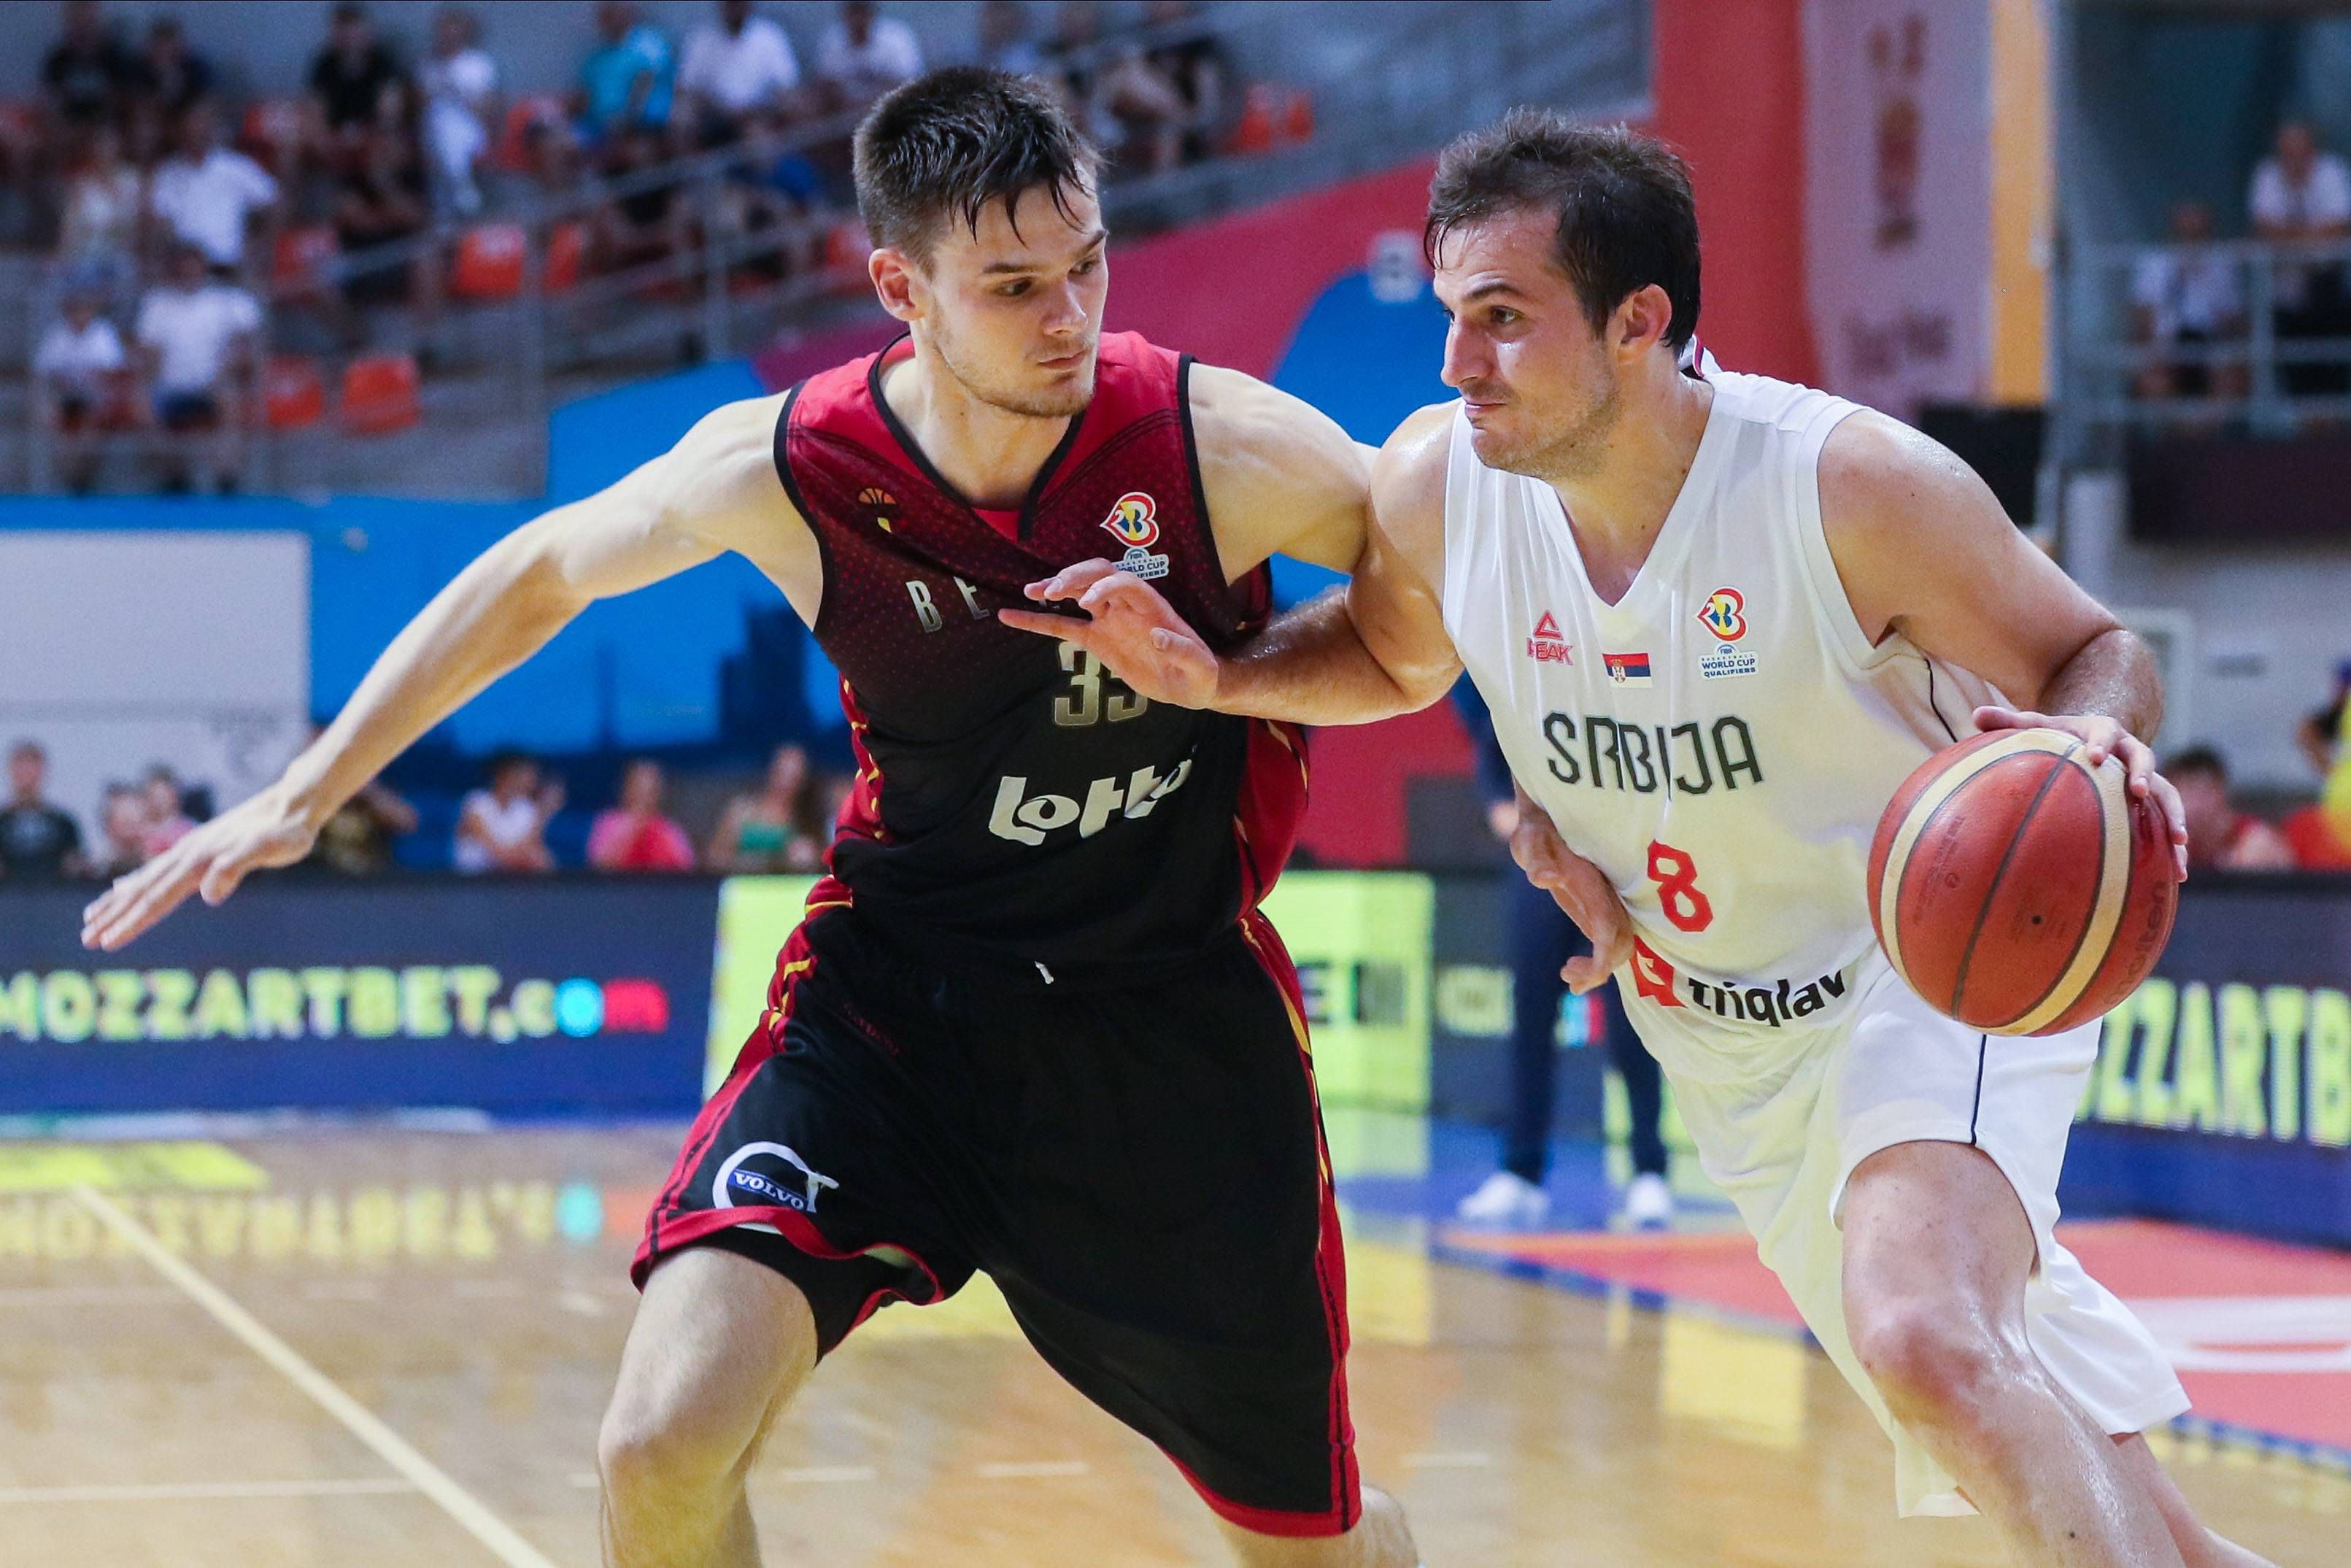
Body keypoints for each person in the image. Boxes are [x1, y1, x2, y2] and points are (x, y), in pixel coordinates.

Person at [82, 67, 1419, 1568]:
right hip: (898, 1002)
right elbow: (537, 574)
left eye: (1089, 262)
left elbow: (1426, 620)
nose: (1072, 316)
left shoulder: (1213, 447)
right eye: (1016, 284)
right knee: (659, 1447)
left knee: (1313, 1549)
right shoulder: (794, 465)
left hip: (1166, 1025)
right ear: (899, 287)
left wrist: (1231, 675)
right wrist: (302, 789)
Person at [1022, 112, 2278, 1567]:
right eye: (1451, 317)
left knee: (1930, 1333)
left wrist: (2085, 753)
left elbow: (2097, 648)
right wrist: (1219, 678)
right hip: (1724, 1040)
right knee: (2032, 1421)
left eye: (1501, 320)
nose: (1455, 365)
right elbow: (1386, 654)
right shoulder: (1442, 489)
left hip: (1929, 967)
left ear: (1641, 324)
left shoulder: (1847, 488)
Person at [1450, 679, 1667, 1229]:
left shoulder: (1614, 676)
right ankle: (1522, 1172)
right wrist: (1510, 812)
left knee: (1633, 1023)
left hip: (1620, 864)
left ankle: (1649, 1171)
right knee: (1530, 1019)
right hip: (1542, 871)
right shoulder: (1514, 680)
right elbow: (1493, 762)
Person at [132, 241, 260, 494]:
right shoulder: (157, 304)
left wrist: (224, 372)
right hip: (171, 388)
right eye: (182, 269)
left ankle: (226, 479)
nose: (188, 274)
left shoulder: (225, 302)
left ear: (204, 269)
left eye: (193, 268)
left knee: (229, 398)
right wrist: (148, 382)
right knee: (141, 404)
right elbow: (149, 354)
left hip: (214, 385)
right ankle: (174, 477)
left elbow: (245, 346)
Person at [2248, 120, 2351, 401]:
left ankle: (2334, 432)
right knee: (2296, 369)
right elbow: (2265, 229)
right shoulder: (2267, 175)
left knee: (2333, 366)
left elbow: (2340, 227)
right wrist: (2311, 239)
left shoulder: (2331, 172)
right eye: (2286, 151)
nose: (2293, 158)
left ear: (2312, 150)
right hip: (2286, 288)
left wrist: (2290, 240)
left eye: (2299, 150)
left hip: (2328, 284)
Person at [2130, 201, 2247, 408]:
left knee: (2232, 376)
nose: (2191, 237)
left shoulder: (2221, 266)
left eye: (2197, 232)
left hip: (2211, 346)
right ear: (2174, 230)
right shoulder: (2154, 264)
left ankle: (2203, 435)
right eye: (2185, 231)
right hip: (2166, 345)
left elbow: (2235, 321)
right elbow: (2141, 319)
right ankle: (2173, 435)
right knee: (2153, 380)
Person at [147, 101, 280, 273]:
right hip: (183, 273)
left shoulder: (235, 166)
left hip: (229, 268)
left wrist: (260, 248)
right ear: (179, 129)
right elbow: (160, 222)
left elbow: (274, 202)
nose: (197, 130)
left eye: (203, 123)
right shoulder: (167, 174)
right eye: (192, 124)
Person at [34, 285, 132, 495]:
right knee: (47, 414)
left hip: (96, 400)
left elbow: (110, 377)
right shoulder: (57, 335)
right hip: (65, 398)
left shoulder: (103, 333)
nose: (80, 315)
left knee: (91, 421)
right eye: (75, 310)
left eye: (84, 310)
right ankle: (68, 477)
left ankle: (80, 479)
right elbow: (45, 375)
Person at [678, 0, 802, 148]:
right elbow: (685, 88)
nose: (735, 6)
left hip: (757, 117)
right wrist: (720, 109)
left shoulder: (770, 36)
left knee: (760, 135)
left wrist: (758, 113)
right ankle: (692, 170)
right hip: (711, 116)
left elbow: (788, 88)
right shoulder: (701, 38)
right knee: (681, 117)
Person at [418, 5, 498, 217]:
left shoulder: (478, 63)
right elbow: (420, 106)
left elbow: (487, 109)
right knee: (440, 123)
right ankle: (461, 191)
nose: (448, 34)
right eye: (443, 28)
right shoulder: (428, 65)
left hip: (470, 132)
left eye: (453, 28)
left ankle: (458, 190)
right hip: (430, 133)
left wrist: (456, 91)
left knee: (448, 128)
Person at [2166, 745, 2292, 871]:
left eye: (2197, 791)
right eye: (2182, 794)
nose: (2191, 804)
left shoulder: (2256, 843)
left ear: (2219, 792)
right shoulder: (2178, 845)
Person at [706, 741, 823, 871]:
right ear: (772, 771)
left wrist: (810, 857)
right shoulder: (741, 811)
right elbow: (714, 858)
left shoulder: (807, 821)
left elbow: (821, 859)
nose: (786, 782)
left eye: (794, 775)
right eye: (782, 772)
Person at [575, 0, 674, 147]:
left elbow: (648, 81)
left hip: (640, 125)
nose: (608, 15)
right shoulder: (596, 58)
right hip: (600, 128)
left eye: (613, 8)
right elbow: (584, 97)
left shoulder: (649, 43)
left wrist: (626, 119)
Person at [453, 751, 557, 873]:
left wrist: (545, 812)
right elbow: (496, 852)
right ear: (505, 775)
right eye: (525, 775)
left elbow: (533, 848)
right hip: (473, 881)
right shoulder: (477, 803)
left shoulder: (525, 809)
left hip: (512, 882)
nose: (532, 781)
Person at [814, 1, 923, 117]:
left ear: (872, 14)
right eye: (854, 13)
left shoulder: (897, 37)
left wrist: (869, 101)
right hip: (845, 113)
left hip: (891, 111)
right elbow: (824, 85)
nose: (858, 20)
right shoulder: (832, 40)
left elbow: (908, 83)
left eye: (862, 13)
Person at [1, 741, 90, 882]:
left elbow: (77, 864)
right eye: (21, 769)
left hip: (55, 898)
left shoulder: (63, 823)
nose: (27, 776)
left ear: (42, 772)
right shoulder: (2, 821)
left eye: (31, 769)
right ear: (11, 772)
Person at [587, 758, 696, 871]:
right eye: (639, 787)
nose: (644, 796)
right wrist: (634, 827)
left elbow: (687, 868)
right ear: (627, 789)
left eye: (651, 790)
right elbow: (599, 865)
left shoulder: (668, 829)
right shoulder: (608, 822)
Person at [137, 766, 194, 859]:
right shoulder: (141, 833)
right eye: (154, 796)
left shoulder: (188, 830)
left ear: (174, 796)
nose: (159, 803)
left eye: (163, 796)